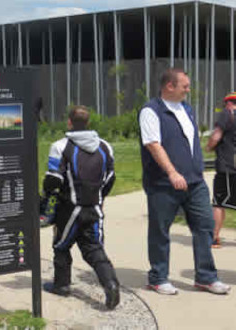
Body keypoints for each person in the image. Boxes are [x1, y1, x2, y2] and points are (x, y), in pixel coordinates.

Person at [139, 68, 230, 295]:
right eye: (185, 86)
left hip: (194, 181)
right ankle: (158, 277)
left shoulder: (187, 109)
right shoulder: (151, 111)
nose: (189, 90)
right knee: (160, 230)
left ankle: (206, 277)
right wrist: (171, 172)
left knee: (205, 226)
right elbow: (153, 144)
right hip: (163, 183)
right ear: (169, 86)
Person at [42, 105, 120, 310]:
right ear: (88, 123)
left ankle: (62, 285)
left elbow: (53, 179)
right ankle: (111, 284)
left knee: (61, 246)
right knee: (94, 248)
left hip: (69, 209)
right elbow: (111, 178)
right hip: (95, 208)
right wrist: (100, 198)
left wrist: (46, 198)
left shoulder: (60, 146)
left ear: (69, 122)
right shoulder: (105, 147)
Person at [205, 92, 236, 248]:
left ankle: (214, 237)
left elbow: (216, 136)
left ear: (228, 103)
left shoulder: (226, 114)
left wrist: (209, 147)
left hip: (227, 167)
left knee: (218, 203)